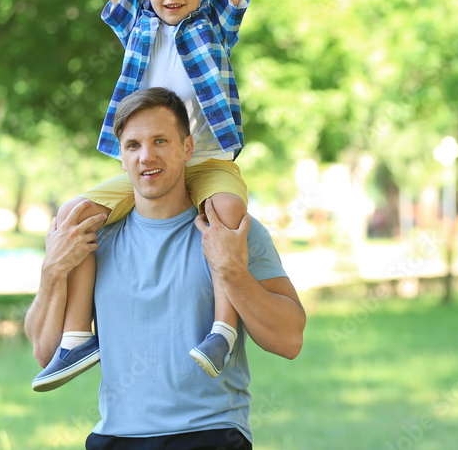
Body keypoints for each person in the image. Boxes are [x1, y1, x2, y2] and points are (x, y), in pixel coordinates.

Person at [32, 0, 254, 391]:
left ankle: (222, 332)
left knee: (226, 206)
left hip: (203, 159)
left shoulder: (215, 22)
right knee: (76, 214)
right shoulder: (136, 22)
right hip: (151, 164)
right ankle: (78, 339)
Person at [25, 88, 306, 449]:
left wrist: (231, 270)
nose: (147, 157)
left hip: (208, 434)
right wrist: (51, 272)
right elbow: (45, 353)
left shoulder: (232, 233)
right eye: (133, 146)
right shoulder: (94, 241)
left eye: (160, 141)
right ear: (121, 157)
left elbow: (289, 341)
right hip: (114, 438)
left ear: (187, 148)